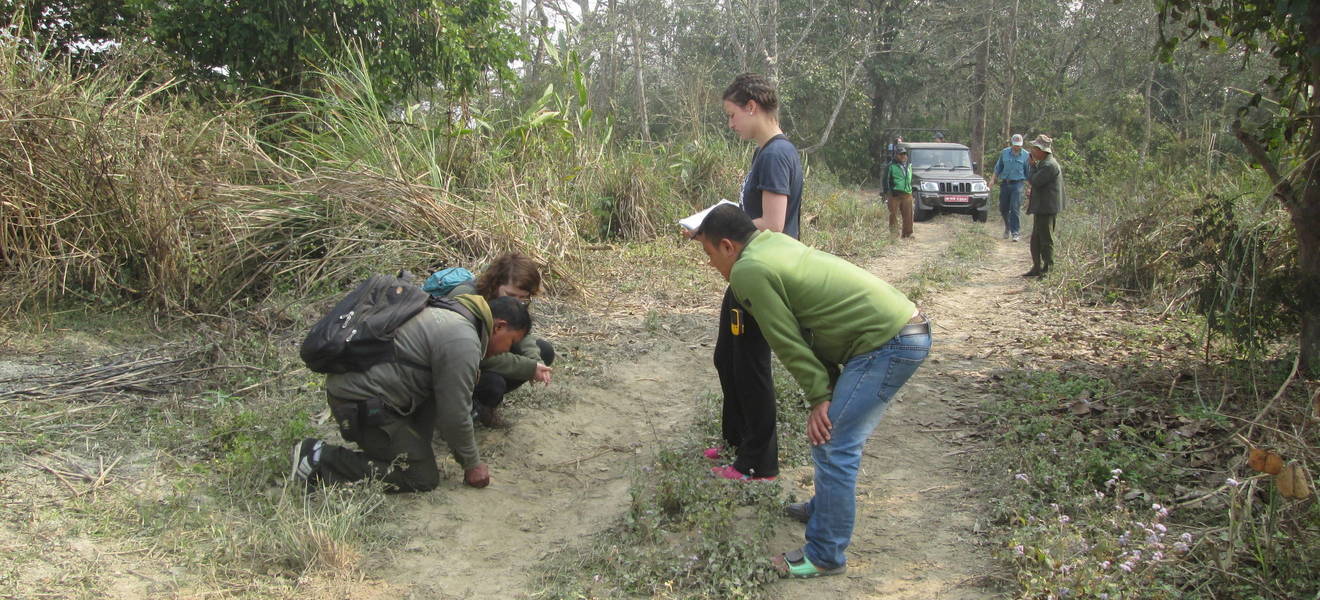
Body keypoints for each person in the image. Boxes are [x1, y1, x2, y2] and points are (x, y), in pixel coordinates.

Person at [690, 204, 931, 578]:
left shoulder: (748, 271)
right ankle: (824, 509)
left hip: (889, 343)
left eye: (708, 254)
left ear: (727, 246)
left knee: (833, 441)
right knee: (833, 435)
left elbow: (786, 340)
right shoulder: (771, 243)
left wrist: (820, 397)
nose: (710, 265)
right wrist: (827, 390)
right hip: (895, 333)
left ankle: (824, 554)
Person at [290, 295, 532, 493]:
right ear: (499, 326)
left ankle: (395, 448)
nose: (507, 350)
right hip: (361, 402)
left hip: (368, 393)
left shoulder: (453, 313)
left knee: (417, 448)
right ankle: (318, 459)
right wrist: (472, 464)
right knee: (421, 476)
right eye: (511, 343)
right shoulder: (463, 340)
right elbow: (454, 414)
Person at [709, 72, 804, 481]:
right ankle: (736, 442)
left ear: (752, 107)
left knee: (750, 365)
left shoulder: (775, 154)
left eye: (732, 114)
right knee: (727, 357)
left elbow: (775, 223)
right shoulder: (765, 152)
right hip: (748, 271)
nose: (731, 124)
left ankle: (758, 462)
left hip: (764, 273)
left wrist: (720, 228)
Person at [445, 253, 554, 428]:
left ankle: (484, 405)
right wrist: (528, 368)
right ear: (495, 283)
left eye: (523, 298)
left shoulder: (510, 300)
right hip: (455, 363)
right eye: (511, 294)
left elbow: (520, 335)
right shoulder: (467, 299)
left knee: (544, 350)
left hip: (482, 353)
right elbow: (478, 355)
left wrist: (536, 362)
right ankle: (467, 408)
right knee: (493, 382)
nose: (516, 302)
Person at [1024, 134, 1064, 277]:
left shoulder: (1049, 165)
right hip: (1041, 207)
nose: (1033, 151)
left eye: (1035, 148)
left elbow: (1035, 181)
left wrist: (1032, 166)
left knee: (1046, 239)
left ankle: (1048, 269)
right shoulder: (1044, 163)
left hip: (1047, 208)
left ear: (1042, 150)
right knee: (1036, 239)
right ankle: (1037, 267)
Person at [991, 134, 1030, 242]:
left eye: (1019, 145)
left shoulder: (1026, 156)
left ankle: (1015, 232)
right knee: (1003, 208)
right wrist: (992, 179)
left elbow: (1029, 173)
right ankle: (1007, 226)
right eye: (1015, 145)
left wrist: (1030, 187)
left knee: (1014, 208)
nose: (1017, 147)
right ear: (1012, 144)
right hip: (1005, 183)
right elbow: (998, 168)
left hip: (1018, 184)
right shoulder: (1004, 153)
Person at [886, 147, 914, 239]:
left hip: (907, 193)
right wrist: (888, 192)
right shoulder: (891, 166)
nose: (903, 156)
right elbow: (885, 180)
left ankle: (907, 234)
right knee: (893, 214)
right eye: (901, 154)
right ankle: (894, 235)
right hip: (895, 194)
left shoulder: (909, 165)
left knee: (908, 215)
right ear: (896, 155)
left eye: (904, 154)